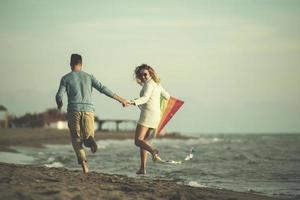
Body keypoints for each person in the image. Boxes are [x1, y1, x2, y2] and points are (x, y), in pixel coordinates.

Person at [55, 54, 128, 174]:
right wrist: (121, 99)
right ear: (81, 64)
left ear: (70, 64)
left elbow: (59, 95)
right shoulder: (89, 77)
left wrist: (59, 104)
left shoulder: (66, 78)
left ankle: (85, 167)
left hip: (74, 110)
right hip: (89, 111)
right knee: (88, 136)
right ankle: (89, 139)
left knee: (76, 139)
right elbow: (103, 88)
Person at [129, 64, 170, 175]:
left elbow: (145, 98)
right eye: (141, 75)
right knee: (144, 142)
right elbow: (167, 97)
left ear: (150, 73)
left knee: (138, 141)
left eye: (145, 74)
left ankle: (153, 151)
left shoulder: (148, 85)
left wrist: (133, 102)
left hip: (147, 115)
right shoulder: (157, 84)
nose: (143, 77)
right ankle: (143, 168)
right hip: (156, 117)